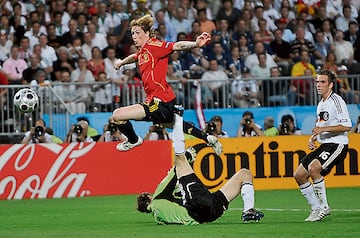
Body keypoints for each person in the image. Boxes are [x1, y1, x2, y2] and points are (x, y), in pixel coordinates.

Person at [112, 14, 222, 155]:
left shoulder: (155, 45)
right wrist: (121, 63)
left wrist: (195, 43)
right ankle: (208, 138)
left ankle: (133, 140)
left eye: (137, 33)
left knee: (117, 115)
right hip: (163, 99)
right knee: (174, 124)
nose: (134, 36)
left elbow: (177, 45)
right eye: (132, 33)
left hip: (159, 101)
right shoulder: (143, 51)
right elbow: (135, 57)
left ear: (147, 33)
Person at [136, 109, 264, 224]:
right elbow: (173, 174)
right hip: (198, 207)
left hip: (206, 213)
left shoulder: (159, 218)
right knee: (180, 159)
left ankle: (249, 212)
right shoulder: (157, 198)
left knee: (244, 174)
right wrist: (187, 157)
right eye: (149, 194)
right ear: (148, 197)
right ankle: (178, 118)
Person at [293, 69, 352, 222]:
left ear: (331, 85)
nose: (318, 85)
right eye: (317, 82)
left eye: (322, 82)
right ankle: (315, 207)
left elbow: (347, 126)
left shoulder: (336, 101)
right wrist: (313, 137)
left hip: (337, 144)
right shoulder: (321, 104)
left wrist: (323, 129)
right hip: (325, 144)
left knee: (313, 169)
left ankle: (324, 207)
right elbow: (321, 124)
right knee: (299, 175)